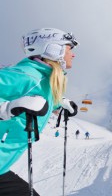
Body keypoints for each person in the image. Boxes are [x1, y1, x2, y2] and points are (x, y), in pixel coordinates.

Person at [0, 28, 79, 195]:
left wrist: (59, 103)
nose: (73, 54)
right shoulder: (25, 75)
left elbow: (33, 96)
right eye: (69, 48)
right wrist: (6, 108)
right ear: (53, 49)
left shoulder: (45, 81)